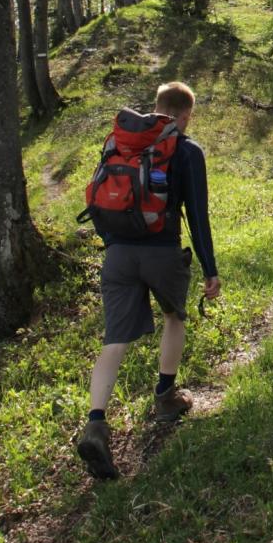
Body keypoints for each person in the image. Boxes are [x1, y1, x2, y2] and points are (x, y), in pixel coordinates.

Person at [76, 81, 221, 480]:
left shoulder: (123, 145)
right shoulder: (187, 151)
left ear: (157, 108)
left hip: (117, 256)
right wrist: (210, 269)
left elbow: (101, 200)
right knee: (175, 317)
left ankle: (95, 423)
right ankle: (166, 396)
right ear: (186, 115)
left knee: (114, 339)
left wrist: (114, 246)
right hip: (163, 252)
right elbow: (198, 215)